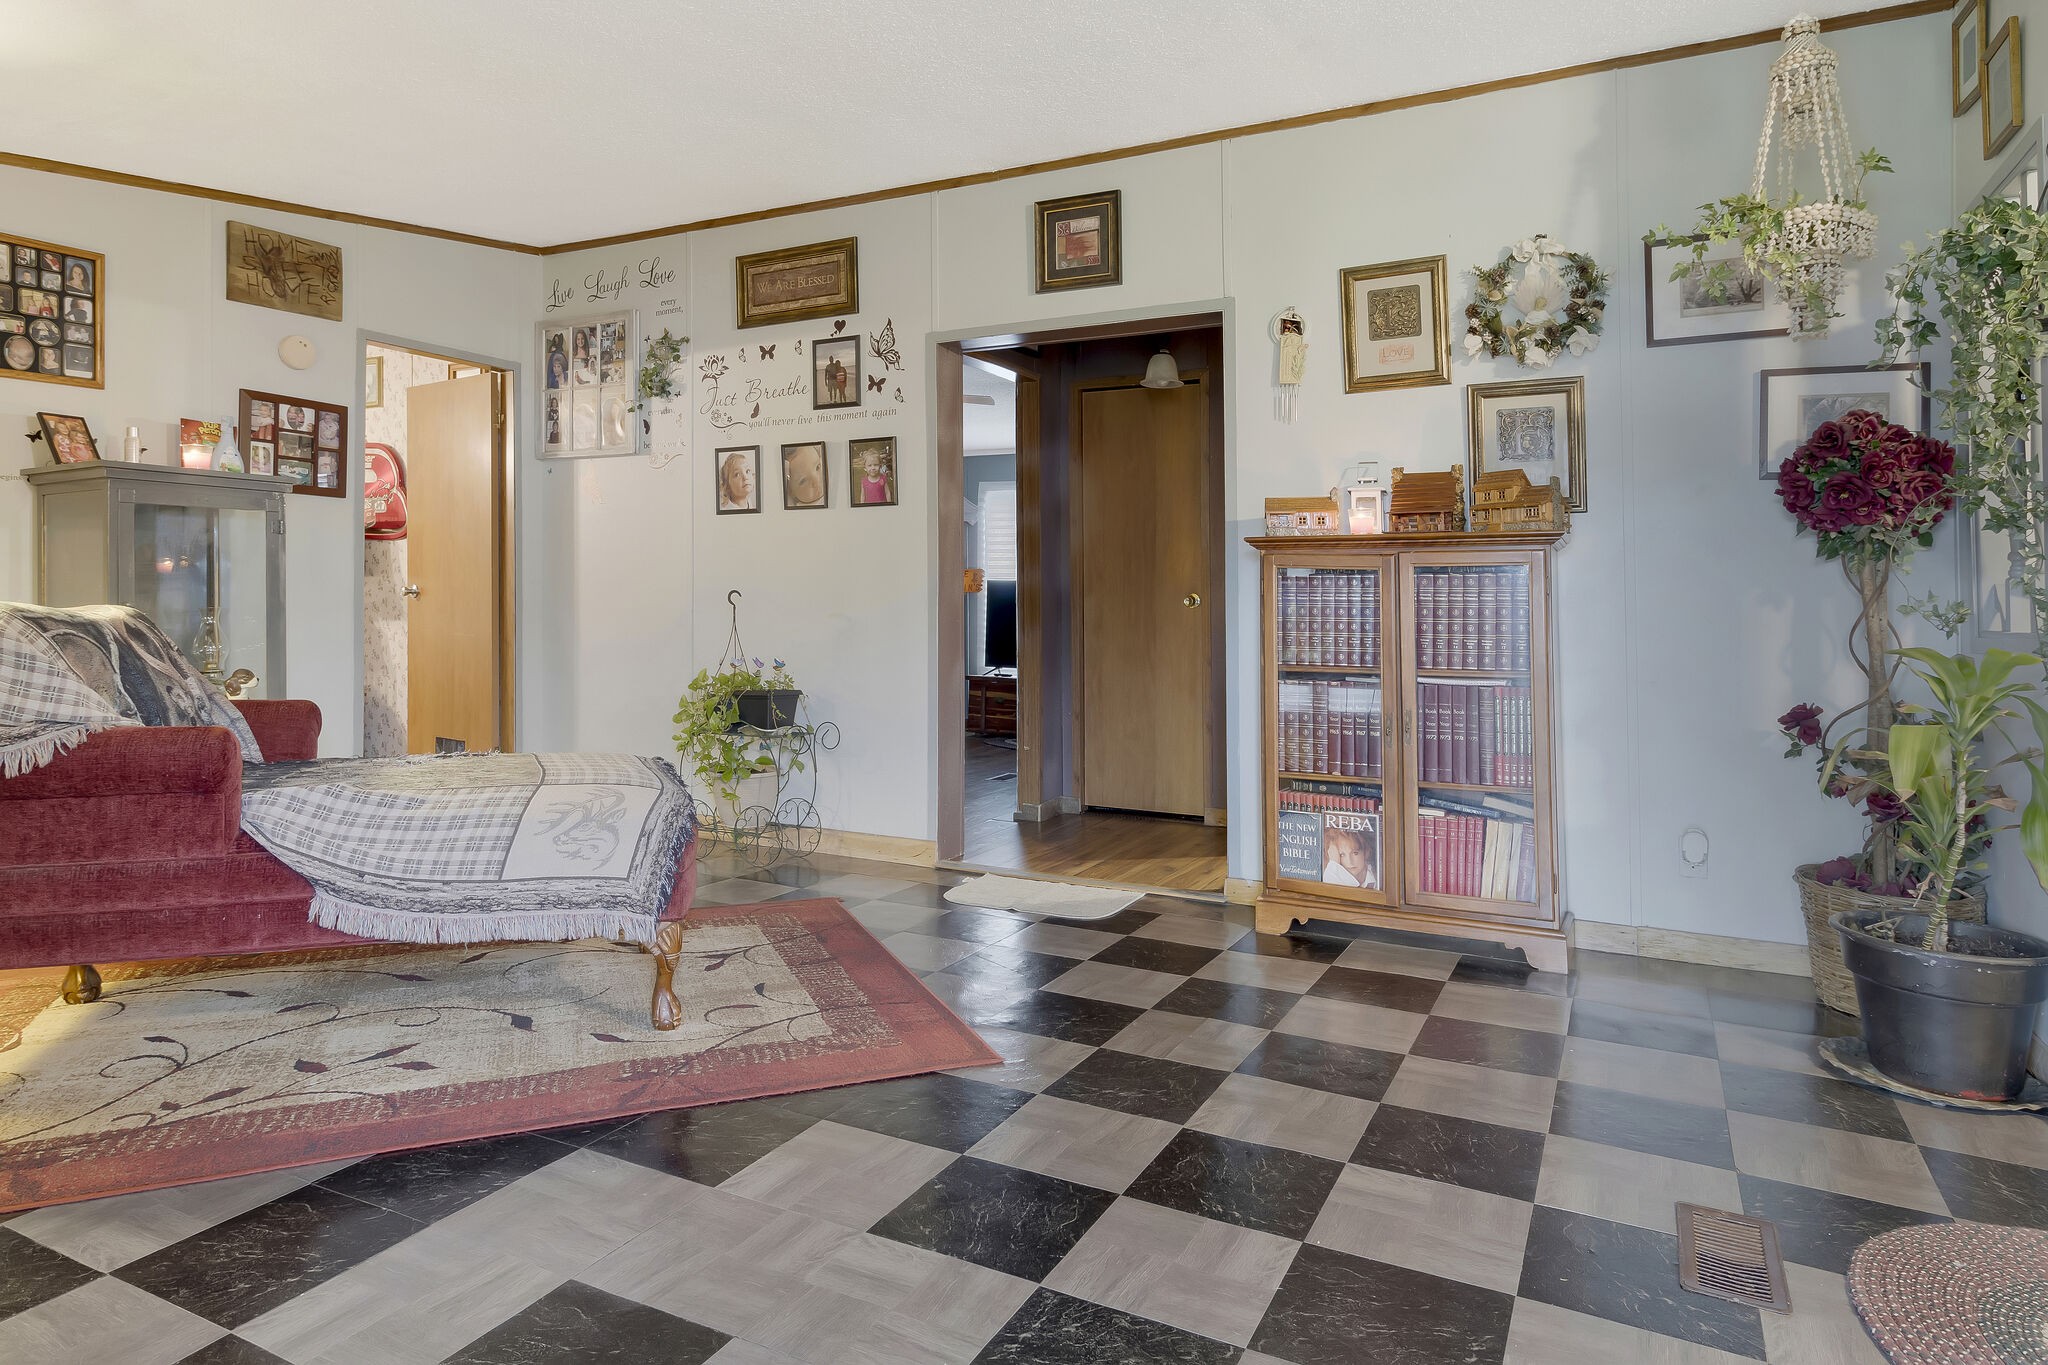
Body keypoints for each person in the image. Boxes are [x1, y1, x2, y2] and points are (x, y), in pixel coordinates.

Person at [1322, 816, 1379, 889]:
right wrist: (1334, 863)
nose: (1350, 862)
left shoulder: (1378, 876)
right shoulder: (1333, 875)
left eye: (1355, 853)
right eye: (1342, 855)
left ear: (1366, 851)